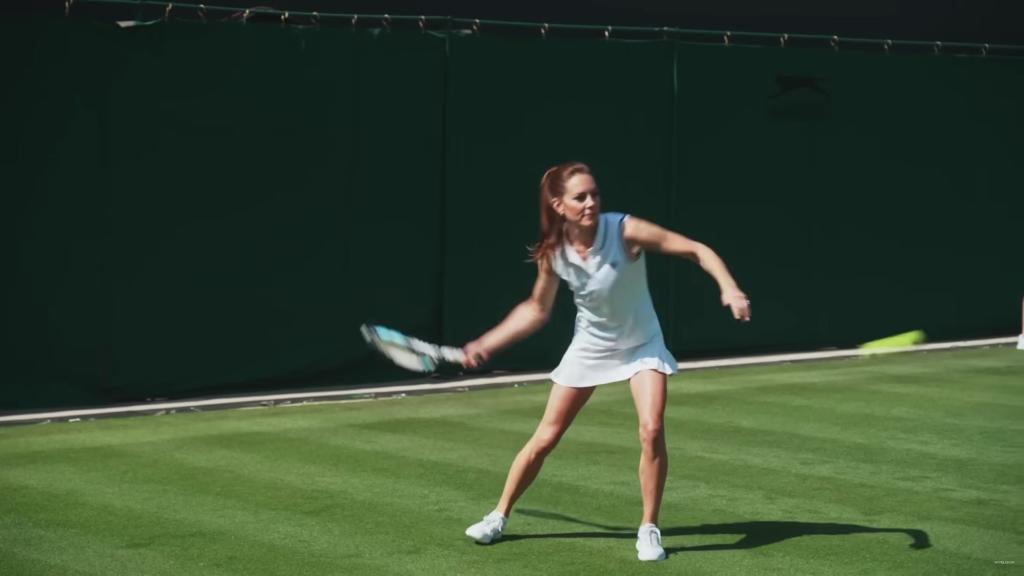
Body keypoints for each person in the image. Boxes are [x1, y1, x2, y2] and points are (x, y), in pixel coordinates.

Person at [461, 161, 751, 561]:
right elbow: (535, 309)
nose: (591, 202)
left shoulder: (624, 230)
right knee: (545, 437)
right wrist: (486, 342)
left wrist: (730, 289)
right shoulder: (555, 251)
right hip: (591, 347)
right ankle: (498, 516)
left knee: (651, 429)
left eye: (595, 193)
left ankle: (649, 529)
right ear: (559, 205)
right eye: (580, 197)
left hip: (642, 343)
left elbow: (696, 250)